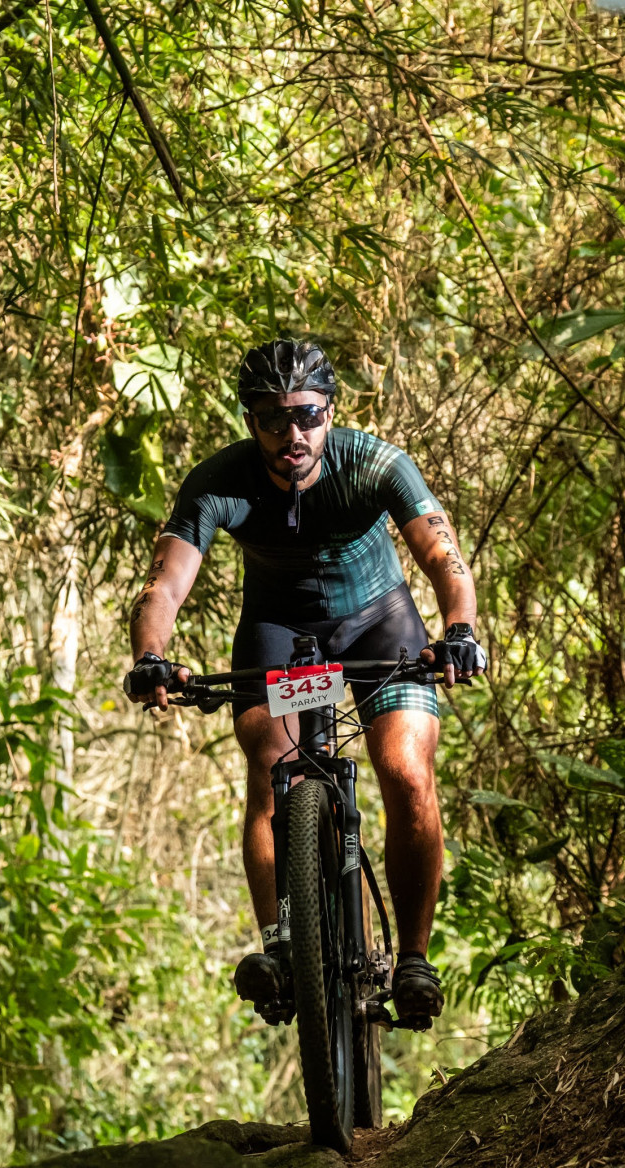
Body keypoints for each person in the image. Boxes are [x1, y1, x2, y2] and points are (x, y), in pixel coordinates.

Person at [121, 337, 486, 1027]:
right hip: (281, 632)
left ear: (330, 411)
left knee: (406, 770)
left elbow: (443, 555)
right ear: (249, 420)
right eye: (273, 419)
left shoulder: (375, 463)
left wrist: (459, 630)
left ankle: (412, 959)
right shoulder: (219, 482)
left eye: (309, 416)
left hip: (381, 624)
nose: (294, 434)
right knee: (272, 766)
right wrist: (151, 656)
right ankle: (281, 949)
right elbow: (164, 586)